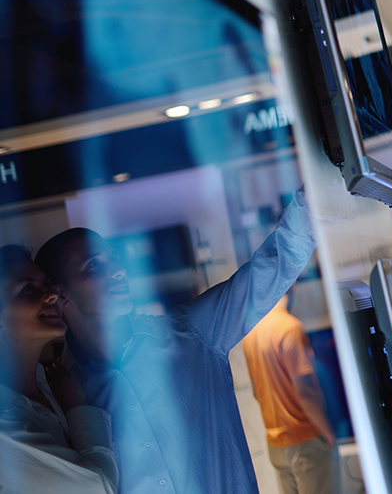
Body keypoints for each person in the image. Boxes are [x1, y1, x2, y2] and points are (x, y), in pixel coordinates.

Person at [32, 190, 315, 494]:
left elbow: (275, 264)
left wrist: (315, 189)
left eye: (113, 259)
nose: (118, 272)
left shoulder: (192, 333)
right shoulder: (66, 396)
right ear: (59, 294)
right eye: (94, 266)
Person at [0, 244, 118, 494]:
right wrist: (78, 409)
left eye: (47, 283)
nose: (51, 294)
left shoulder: (49, 383)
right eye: (28, 289)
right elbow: (98, 487)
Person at [242, 289, 339, 494]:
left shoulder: (251, 331)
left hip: (277, 445)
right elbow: (305, 391)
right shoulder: (288, 328)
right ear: (291, 284)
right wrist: (328, 434)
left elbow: (257, 392)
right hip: (305, 441)